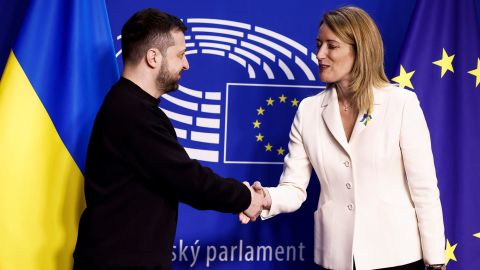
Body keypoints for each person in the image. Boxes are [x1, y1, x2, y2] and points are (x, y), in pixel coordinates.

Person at [241, 6, 446, 270]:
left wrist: (436, 260)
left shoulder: (401, 103)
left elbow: (425, 189)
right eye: (318, 45)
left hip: (397, 257)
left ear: (359, 50)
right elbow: (293, 188)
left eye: (331, 46)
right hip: (335, 259)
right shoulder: (308, 110)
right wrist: (264, 198)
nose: (319, 55)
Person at [73, 8, 265, 270]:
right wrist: (246, 198)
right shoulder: (133, 113)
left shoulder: (129, 106)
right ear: (153, 57)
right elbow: (189, 180)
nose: (186, 64)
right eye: (181, 55)